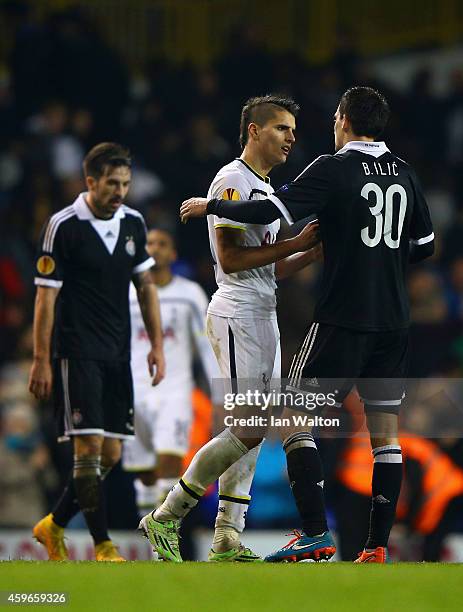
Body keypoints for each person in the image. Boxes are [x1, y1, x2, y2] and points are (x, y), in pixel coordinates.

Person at [179, 86, 435, 563]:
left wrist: (211, 206)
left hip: (342, 320)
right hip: (394, 323)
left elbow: (269, 209)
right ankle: (377, 547)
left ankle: (315, 531)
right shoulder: (405, 173)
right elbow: (423, 247)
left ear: (343, 120)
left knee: (295, 416)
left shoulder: (334, 168)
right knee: (386, 436)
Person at [139, 94, 321, 562]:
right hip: (238, 313)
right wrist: (295, 242)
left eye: (293, 130)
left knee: (252, 429)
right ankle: (166, 516)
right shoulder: (233, 181)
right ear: (254, 131)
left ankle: (227, 535)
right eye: (282, 128)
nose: (291, 138)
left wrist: (310, 253)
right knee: (250, 426)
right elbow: (231, 259)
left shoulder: (263, 185)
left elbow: (268, 269)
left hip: (262, 311)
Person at [29, 142, 165, 562]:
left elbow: (146, 287)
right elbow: (45, 298)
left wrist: (156, 344)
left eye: (125, 183)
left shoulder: (133, 223)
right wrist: (40, 358)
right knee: (87, 450)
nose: (120, 191)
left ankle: (52, 525)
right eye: (111, 183)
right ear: (90, 181)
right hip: (76, 352)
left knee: (112, 454)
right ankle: (102, 545)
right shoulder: (63, 225)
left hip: (117, 353)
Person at [122, 228, 219, 517]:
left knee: (170, 462)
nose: (154, 249)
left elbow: (207, 345)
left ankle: (167, 534)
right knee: (145, 473)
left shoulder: (189, 294)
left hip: (175, 391)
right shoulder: (126, 294)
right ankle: (151, 542)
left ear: (172, 254)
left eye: (161, 244)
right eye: (149, 244)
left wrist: (219, 394)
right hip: (135, 391)